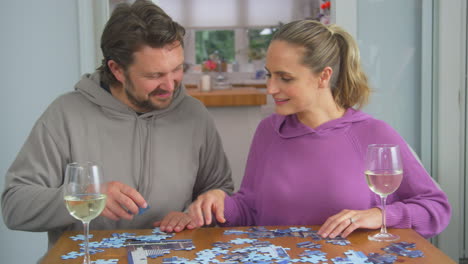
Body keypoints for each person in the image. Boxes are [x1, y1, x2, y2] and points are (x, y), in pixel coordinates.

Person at [1, 0, 233, 249]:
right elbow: (15, 207)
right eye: (154, 75)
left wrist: (192, 214)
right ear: (117, 70)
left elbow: (220, 191)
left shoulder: (194, 115)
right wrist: (83, 198)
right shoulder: (65, 115)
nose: (170, 85)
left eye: (177, 69)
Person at [188, 20, 451, 239]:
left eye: (285, 78)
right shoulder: (269, 131)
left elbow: (436, 209)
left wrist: (381, 215)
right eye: (269, 75)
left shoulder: (373, 134)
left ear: (323, 76)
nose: (271, 89)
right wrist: (220, 202)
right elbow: (251, 208)